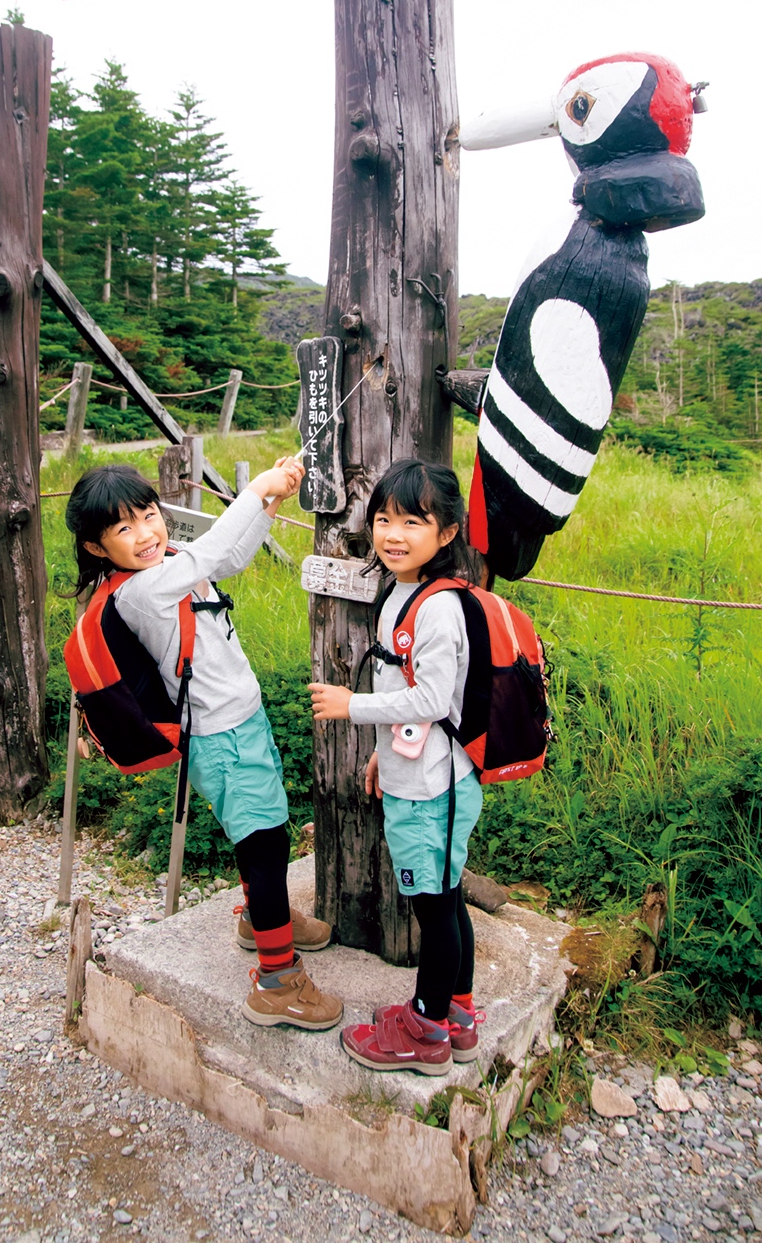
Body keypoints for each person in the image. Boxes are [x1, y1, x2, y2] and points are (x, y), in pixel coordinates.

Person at [65, 458, 343, 1032]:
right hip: (220, 738)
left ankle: (260, 920)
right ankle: (276, 981)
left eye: (148, 515)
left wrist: (267, 508)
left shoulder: (168, 566)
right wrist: (257, 488)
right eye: (123, 529)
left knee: (263, 832)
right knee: (265, 842)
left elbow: (230, 557)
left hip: (240, 721)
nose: (146, 533)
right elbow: (210, 552)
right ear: (97, 548)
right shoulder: (140, 592)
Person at [308, 459, 484, 1076]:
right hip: (429, 774)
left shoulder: (438, 607)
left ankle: (426, 1028)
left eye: (413, 521)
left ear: (448, 532)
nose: (393, 532)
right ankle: (456, 1014)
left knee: (433, 906)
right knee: (446, 895)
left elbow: (435, 699)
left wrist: (353, 707)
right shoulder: (405, 591)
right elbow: (412, 688)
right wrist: (385, 747)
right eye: (384, 518)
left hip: (433, 789)